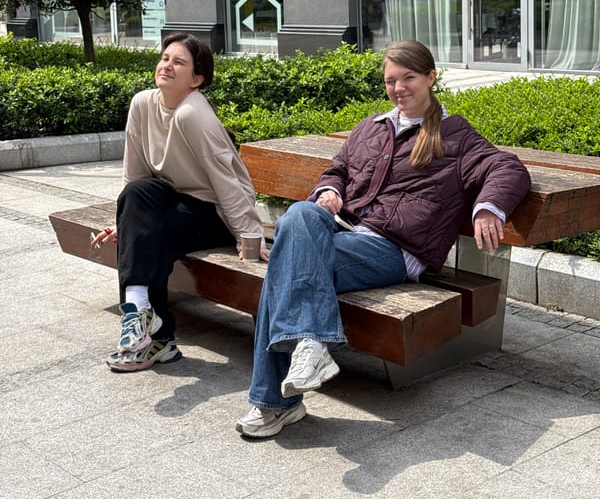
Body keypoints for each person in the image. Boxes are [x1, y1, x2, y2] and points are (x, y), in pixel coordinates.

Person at [236, 40, 531, 438]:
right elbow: (338, 169)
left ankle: (276, 402)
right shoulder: (371, 127)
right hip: (343, 232)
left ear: (431, 77)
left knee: (284, 268)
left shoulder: (455, 136)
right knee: (301, 214)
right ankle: (311, 348)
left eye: (408, 78)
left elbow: (507, 168)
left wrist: (487, 208)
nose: (398, 88)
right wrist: (329, 191)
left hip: (394, 249)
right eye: (391, 80)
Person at [92, 32, 268, 372]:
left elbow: (227, 182)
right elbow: (135, 177)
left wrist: (249, 236)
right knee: (137, 203)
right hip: (173, 199)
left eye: (179, 62)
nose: (167, 66)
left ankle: (156, 340)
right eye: (164, 59)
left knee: (148, 237)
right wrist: (124, 220)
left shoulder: (192, 114)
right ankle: (139, 313)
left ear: (196, 79)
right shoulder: (142, 104)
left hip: (213, 210)